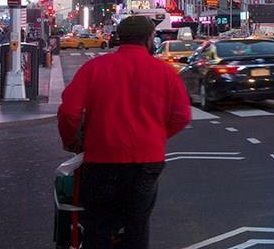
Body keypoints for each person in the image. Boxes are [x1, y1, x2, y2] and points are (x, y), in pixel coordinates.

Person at [57, 14, 190, 249]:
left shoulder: (94, 67)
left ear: (119, 38)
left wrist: (74, 142)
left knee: (98, 224)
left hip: (101, 158)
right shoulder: (165, 72)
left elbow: (69, 111)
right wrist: (156, 136)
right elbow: (181, 116)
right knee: (137, 224)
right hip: (146, 159)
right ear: (150, 39)